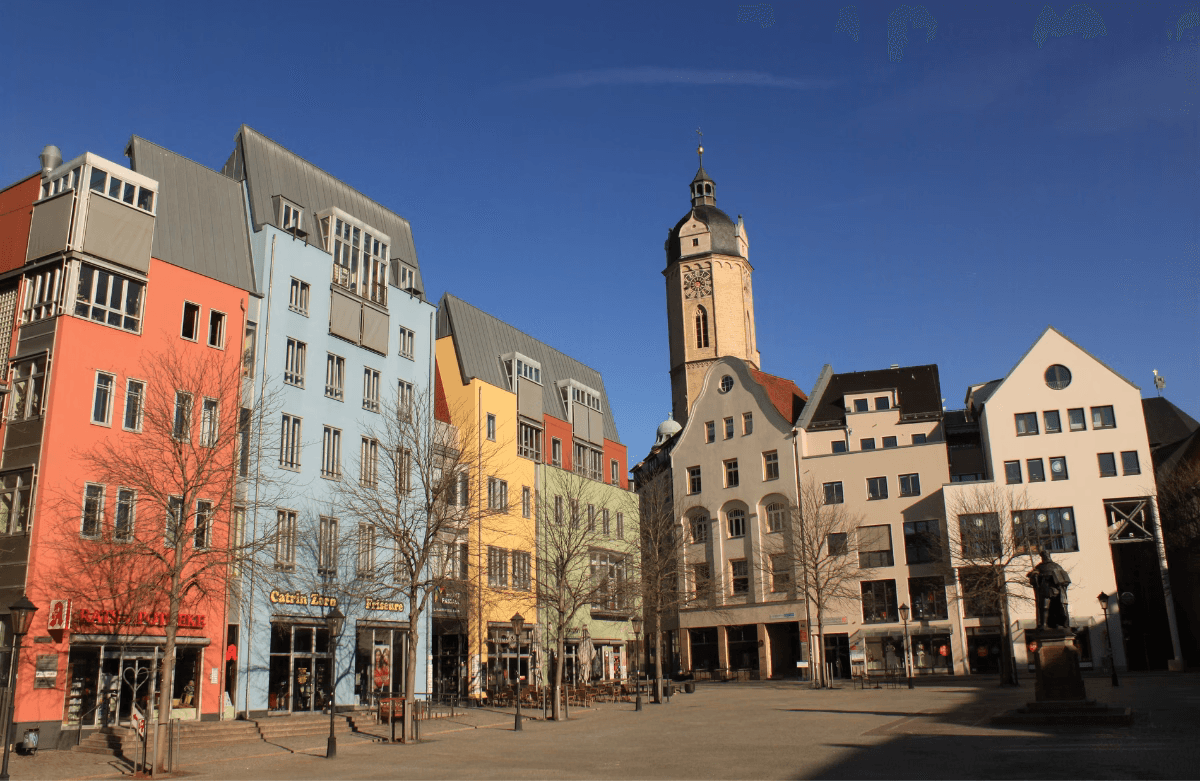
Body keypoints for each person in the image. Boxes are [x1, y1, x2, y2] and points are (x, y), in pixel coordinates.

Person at [1028, 550, 1072, 629]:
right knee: (1044, 606)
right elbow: (1032, 578)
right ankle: (1044, 624)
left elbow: (1064, 579)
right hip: (1045, 589)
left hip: (1057, 590)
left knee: (1058, 607)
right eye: (1044, 555)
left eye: (1046, 555)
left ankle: (1061, 623)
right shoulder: (1039, 567)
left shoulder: (1056, 566)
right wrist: (1034, 576)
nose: (1045, 557)